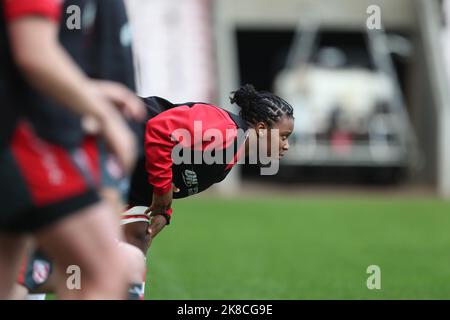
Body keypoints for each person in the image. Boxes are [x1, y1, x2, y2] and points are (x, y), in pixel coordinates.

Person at [0, 0, 145, 299]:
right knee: (105, 271)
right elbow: (34, 52)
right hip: (28, 137)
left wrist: (90, 93)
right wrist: (104, 115)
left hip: (33, 131)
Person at [121, 84, 295, 296]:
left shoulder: (229, 159)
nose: (286, 145)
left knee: (135, 241)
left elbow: (175, 171)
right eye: (284, 136)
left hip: (128, 174)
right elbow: (158, 129)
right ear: (260, 129)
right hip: (107, 132)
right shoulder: (223, 128)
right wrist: (162, 191)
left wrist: (164, 211)